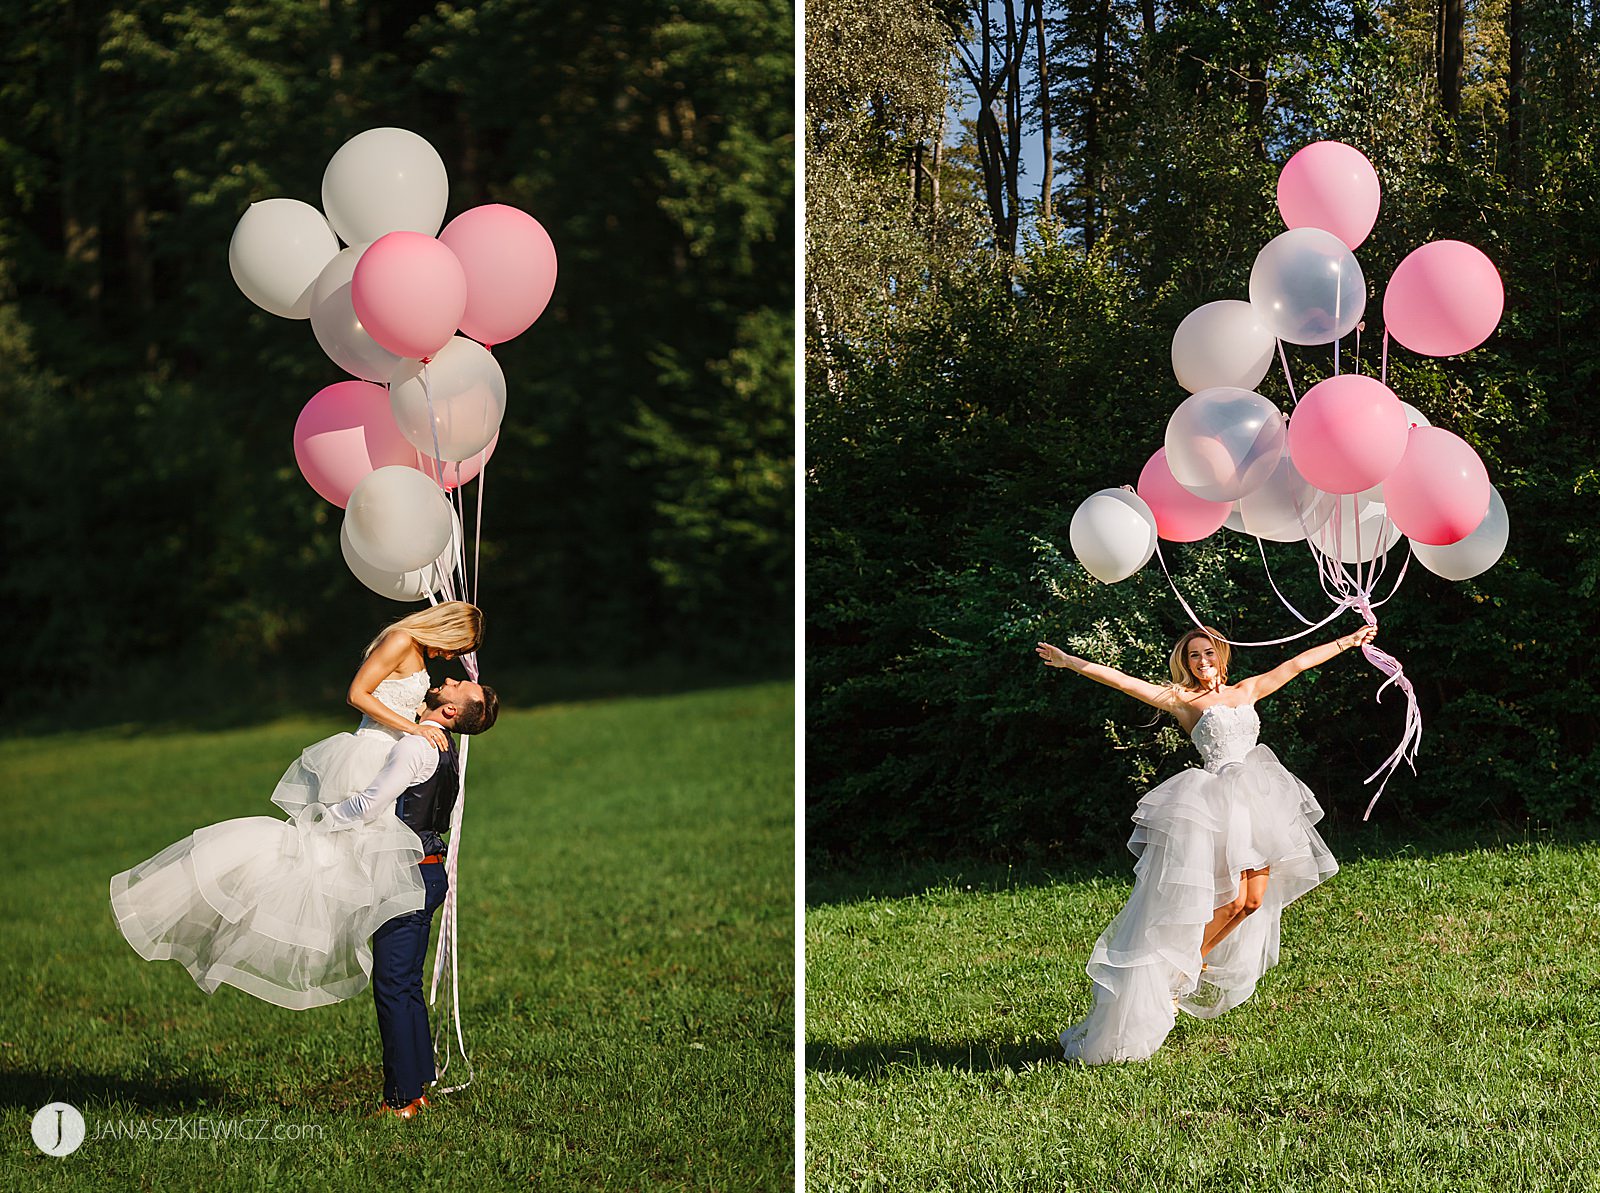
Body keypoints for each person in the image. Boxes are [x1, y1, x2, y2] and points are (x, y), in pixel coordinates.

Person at [109, 602, 489, 1011]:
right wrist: (412, 727)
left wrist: (426, 730)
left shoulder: (422, 659)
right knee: (318, 852)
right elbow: (357, 694)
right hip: (370, 753)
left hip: (393, 757)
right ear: (445, 631)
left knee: (349, 861)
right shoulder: (400, 640)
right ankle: (256, 914)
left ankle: (392, 959)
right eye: (455, 648)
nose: (451, 658)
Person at [1035, 622, 1377, 1064]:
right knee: (1232, 901)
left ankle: (1187, 964)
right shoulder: (1184, 700)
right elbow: (1120, 681)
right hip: (1217, 805)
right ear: (1187, 663)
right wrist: (1070, 662)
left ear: (1221, 655)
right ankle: (1180, 970)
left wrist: (1348, 641)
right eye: (1194, 656)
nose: (1202, 662)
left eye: (1208, 654)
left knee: (1253, 902)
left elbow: (1297, 663)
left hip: (1259, 799)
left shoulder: (1247, 689)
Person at [325, 675, 499, 1120]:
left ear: (452, 712)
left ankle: (402, 1099)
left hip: (408, 876)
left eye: (459, 686)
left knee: (393, 987)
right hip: (427, 872)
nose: (451, 679)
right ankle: (416, 1085)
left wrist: (321, 818)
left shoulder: (416, 746)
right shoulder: (445, 749)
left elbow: (370, 804)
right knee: (405, 985)